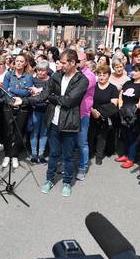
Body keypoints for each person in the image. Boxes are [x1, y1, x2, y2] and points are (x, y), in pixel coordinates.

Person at [14, 49, 89, 197]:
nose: (60, 65)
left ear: (73, 63)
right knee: (54, 154)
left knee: (68, 156)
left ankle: (67, 182)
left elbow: (69, 101)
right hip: (53, 122)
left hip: (69, 124)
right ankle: (49, 179)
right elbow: (43, 95)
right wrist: (24, 100)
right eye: (59, 62)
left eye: (63, 63)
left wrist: (53, 98)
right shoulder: (56, 75)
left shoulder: (82, 80)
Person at [1, 53, 34, 169]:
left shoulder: (29, 77)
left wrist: (14, 90)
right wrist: (12, 98)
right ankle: (7, 154)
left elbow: (27, 93)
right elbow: (4, 91)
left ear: (25, 63)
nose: (19, 63)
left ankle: (14, 155)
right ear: (14, 63)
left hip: (22, 107)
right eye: (17, 61)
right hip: (9, 106)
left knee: (19, 131)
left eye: (21, 61)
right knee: (7, 131)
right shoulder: (8, 75)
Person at [116, 63, 140, 169]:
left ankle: (131, 158)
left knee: (133, 137)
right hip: (123, 113)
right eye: (133, 70)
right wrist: (121, 108)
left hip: (135, 115)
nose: (133, 72)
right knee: (125, 135)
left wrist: (132, 110)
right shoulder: (127, 83)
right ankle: (125, 155)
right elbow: (121, 95)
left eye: (136, 71)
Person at [89, 64, 119, 166]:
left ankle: (99, 156)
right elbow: (88, 101)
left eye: (104, 75)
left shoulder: (112, 88)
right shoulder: (93, 86)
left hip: (104, 117)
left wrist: (99, 113)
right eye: (99, 74)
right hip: (91, 114)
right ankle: (89, 154)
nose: (101, 77)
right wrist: (93, 111)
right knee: (90, 136)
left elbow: (113, 104)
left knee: (102, 137)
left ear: (108, 75)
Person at [29, 61, 51, 164]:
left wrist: (39, 92)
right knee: (35, 132)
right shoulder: (33, 80)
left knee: (44, 133)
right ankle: (34, 154)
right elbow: (31, 95)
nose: (40, 72)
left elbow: (51, 95)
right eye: (38, 70)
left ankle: (41, 154)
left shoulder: (51, 81)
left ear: (47, 70)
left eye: (43, 70)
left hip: (47, 110)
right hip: (36, 109)